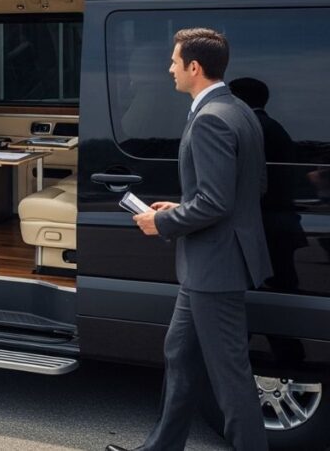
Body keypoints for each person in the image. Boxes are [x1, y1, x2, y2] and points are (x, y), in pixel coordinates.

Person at [108, 29, 273, 451]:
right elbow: (243, 189)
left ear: (194, 67)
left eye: (174, 61)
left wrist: (162, 223)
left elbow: (217, 203)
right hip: (208, 266)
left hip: (214, 268)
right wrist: (178, 205)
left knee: (231, 378)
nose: (169, 69)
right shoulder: (237, 110)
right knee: (180, 356)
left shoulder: (211, 119)